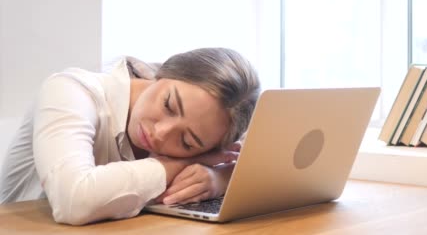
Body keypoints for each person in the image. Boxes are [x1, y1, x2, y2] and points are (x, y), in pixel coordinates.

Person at [0, 48, 260, 225]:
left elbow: (268, 158)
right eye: (168, 105)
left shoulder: (213, 119)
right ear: (164, 72)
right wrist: (177, 163)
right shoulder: (71, 91)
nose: (159, 133)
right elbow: (73, 200)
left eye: (186, 142)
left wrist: (222, 178)